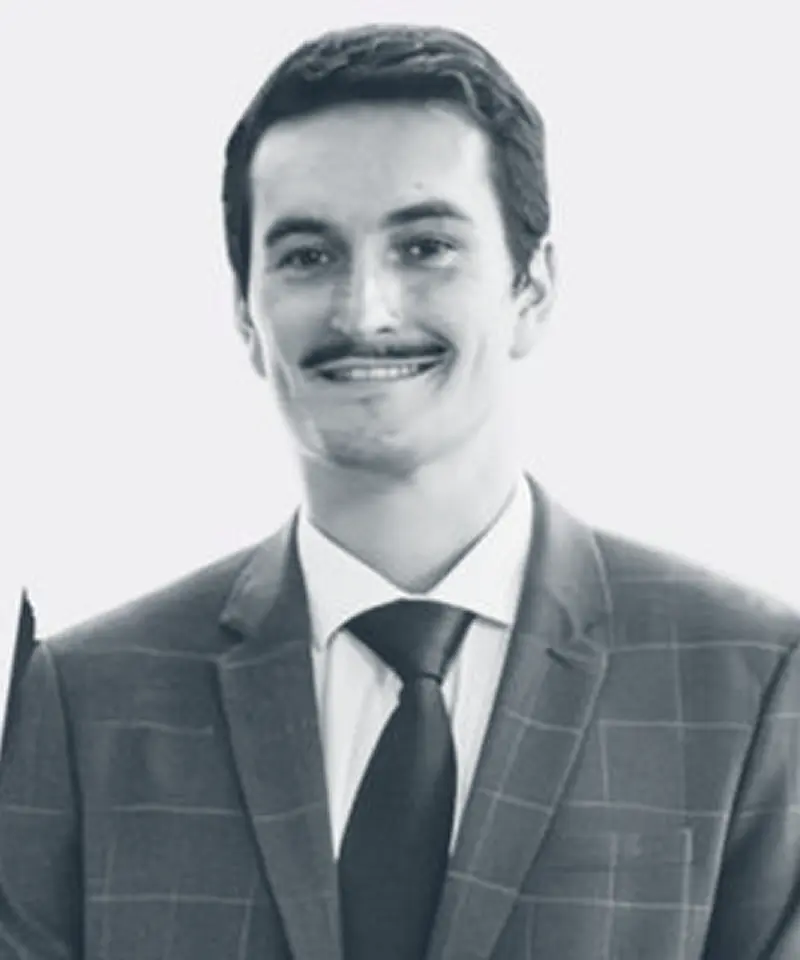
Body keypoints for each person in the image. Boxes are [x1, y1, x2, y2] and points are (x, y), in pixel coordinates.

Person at [1, 23, 799, 960]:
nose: (364, 311)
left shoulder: (750, 679)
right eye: (308, 255)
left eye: (424, 247)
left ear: (533, 290)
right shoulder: (84, 699)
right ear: (245, 314)